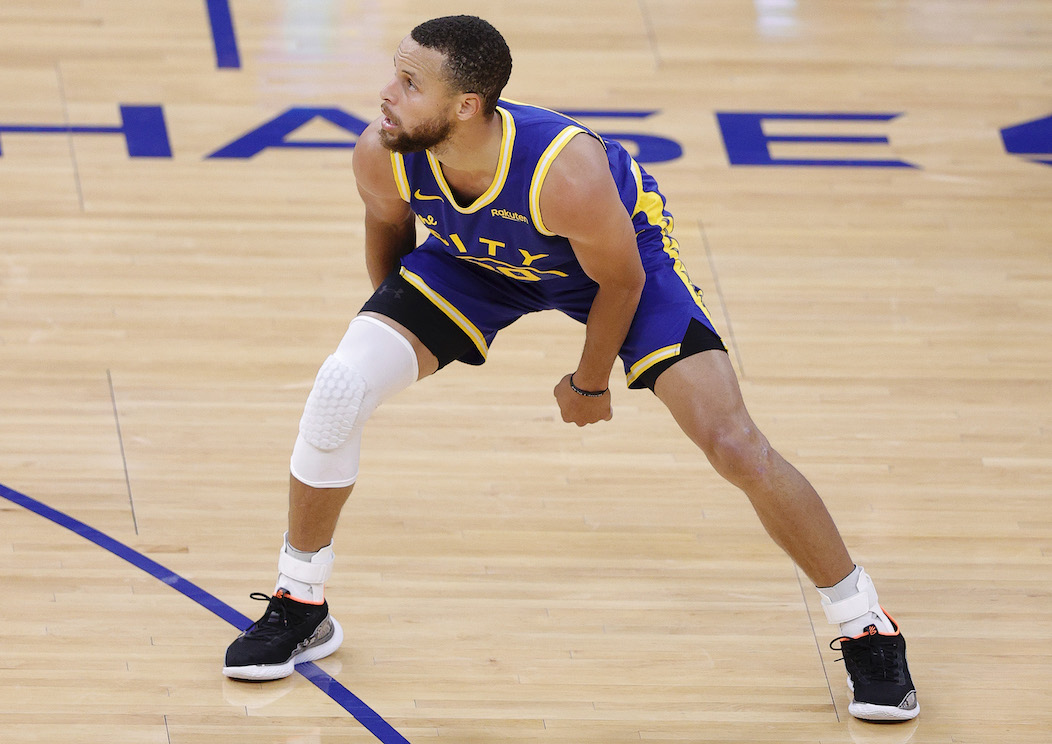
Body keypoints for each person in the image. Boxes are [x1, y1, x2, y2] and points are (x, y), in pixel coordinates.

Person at [222, 15, 918, 723]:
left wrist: (589, 383)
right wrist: (386, 329)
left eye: (408, 83)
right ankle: (299, 600)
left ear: (466, 106)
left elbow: (619, 285)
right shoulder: (384, 150)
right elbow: (389, 233)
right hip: (476, 261)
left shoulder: (568, 173)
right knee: (341, 385)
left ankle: (865, 622)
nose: (385, 94)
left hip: (616, 267)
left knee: (734, 444)